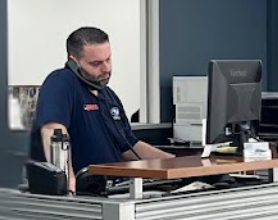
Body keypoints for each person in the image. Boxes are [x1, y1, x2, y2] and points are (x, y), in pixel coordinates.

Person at [29, 26, 175, 191]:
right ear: (74, 62)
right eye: (96, 63)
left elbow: (129, 146)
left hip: (117, 189)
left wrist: (176, 164)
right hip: (84, 193)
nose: (106, 68)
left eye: (108, 59)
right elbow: (52, 130)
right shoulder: (61, 82)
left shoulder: (108, 96)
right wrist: (68, 185)